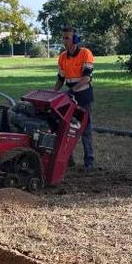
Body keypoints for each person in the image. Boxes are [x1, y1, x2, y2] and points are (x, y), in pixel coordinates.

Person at [54, 26, 95, 171]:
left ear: (75, 39)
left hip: (83, 96)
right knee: (65, 128)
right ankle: (68, 160)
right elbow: (60, 79)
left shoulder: (86, 54)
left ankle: (89, 162)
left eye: (67, 38)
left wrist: (71, 91)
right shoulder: (62, 57)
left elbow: (86, 78)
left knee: (85, 130)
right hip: (70, 96)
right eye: (63, 38)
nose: (64, 41)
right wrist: (53, 93)